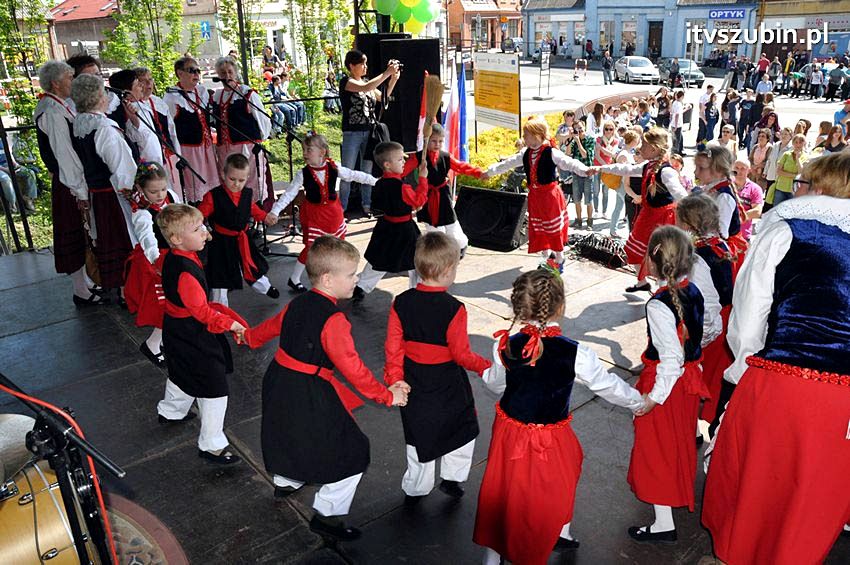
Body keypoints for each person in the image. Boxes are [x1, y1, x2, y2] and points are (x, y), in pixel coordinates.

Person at [702, 151, 850, 565]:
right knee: (813, 504)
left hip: (785, 382)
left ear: (821, 185)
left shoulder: (788, 229)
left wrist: (742, 373)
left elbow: (748, 318)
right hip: (844, 404)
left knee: (757, 491)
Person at [474, 268, 644, 565]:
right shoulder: (575, 353)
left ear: (518, 306)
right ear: (561, 306)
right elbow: (607, 385)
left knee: (503, 488)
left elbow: (495, 384)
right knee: (554, 488)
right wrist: (638, 402)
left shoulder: (506, 344)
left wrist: (495, 373)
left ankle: (494, 554)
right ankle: (548, 535)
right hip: (549, 438)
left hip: (510, 433)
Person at [243, 235, 408, 541]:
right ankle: (328, 515)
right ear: (329, 279)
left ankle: (287, 481)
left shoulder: (299, 302)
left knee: (288, 431)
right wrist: (387, 395)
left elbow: (272, 327)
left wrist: (249, 337)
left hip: (279, 380)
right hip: (307, 390)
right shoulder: (334, 320)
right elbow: (353, 368)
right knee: (352, 452)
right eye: (352, 274)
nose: (357, 279)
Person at [385, 232, 491, 503]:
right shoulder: (454, 309)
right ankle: (453, 478)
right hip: (447, 380)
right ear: (447, 271)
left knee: (418, 435)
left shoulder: (401, 302)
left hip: (414, 380)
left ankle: (415, 488)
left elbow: (393, 347)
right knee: (462, 427)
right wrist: (485, 366)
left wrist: (396, 378)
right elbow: (461, 354)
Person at [626, 225, 710, 544]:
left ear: (653, 259)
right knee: (674, 445)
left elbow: (670, 359)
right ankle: (667, 513)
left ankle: (663, 524)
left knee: (657, 450)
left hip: (667, 386)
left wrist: (653, 398)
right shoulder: (693, 290)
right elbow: (708, 328)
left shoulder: (659, 304)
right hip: (687, 382)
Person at [155, 203, 247, 464]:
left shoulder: (175, 257)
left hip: (176, 329)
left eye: (203, 226)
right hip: (192, 333)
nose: (205, 232)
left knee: (181, 370)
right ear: (177, 239)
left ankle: (171, 411)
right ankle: (211, 445)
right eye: (197, 229)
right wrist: (230, 324)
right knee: (214, 384)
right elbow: (202, 312)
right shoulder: (186, 273)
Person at [266, 133, 377, 292]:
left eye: (309, 150)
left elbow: (354, 175)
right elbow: (289, 194)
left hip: (333, 213)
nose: (305, 153)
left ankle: (336, 277)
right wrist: (275, 211)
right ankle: (294, 278)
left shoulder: (334, 167)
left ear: (322, 152)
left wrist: (376, 182)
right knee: (311, 248)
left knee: (338, 245)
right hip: (314, 215)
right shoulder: (303, 174)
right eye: (303, 150)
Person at [34, 60, 104, 306]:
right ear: (56, 83)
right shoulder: (52, 111)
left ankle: (87, 282)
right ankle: (80, 289)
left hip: (72, 179)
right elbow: (64, 154)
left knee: (82, 232)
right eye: (70, 77)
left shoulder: (59, 105)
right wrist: (80, 190)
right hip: (69, 181)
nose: (73, 81)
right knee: (74, 231)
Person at [596, 127, 688, 292]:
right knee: (632, 249)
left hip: (663, 218)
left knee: (660, 256)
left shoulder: (666, 171)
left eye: (643, 145)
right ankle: (642, 283)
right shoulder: (648, 165)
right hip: (647, 215)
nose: (640, 148)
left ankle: (663, 291)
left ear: (653, 149)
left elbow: (681, 195)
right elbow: (626, 169)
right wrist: (600, 168)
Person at [484, 116, 591, 257]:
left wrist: (585, 170)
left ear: (536, 135)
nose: (523, 138)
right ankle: (545, 257)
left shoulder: (551, 152)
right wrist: (489, 172)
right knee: (540, 229)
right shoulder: (525, 153)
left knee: (553, 229)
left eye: (526, 135)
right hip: (535, 197)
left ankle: (559, 259)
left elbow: (569, 162)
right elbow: (508, 163)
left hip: (550, 196)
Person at [70, 73, 137, 294]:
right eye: (104, 93)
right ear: (99, 97)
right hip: (114, 197)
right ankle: (132, 291)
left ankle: (125, 289)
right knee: (126, 239)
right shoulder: (105, 129)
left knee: (110, 240)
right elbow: (123, 169)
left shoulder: (81, 124)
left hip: (98, 195)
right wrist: (137, 197)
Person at [675, 195, 734, 438]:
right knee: (711, 384)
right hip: (726, 322)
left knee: (695, 382)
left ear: (687, 224)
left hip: (711, 330)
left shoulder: (697, 260)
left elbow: (705, 306)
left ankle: (695, 430)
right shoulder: (720, 245)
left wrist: (697, 343)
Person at [198, 153, 279, 306]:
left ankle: (265, 287)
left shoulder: (247, 194)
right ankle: (219, 308)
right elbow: (199, 216)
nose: (236, 184)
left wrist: (265, 217)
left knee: (252, 267)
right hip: (221, 242)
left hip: (243, 239)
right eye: (232, 179)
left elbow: (253, 209)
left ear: (247, 178)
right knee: (220, 276)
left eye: (241, 180)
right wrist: (201, 230)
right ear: (223, 175)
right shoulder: (213, 196)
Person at [353, 141, 429, 301]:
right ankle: (418, 291)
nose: (404, 162)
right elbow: (419, 201)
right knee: (416, 260)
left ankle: (361, 286)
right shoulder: (403, 188)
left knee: (379, 259)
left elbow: (399, 172)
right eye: (400, 159)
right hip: (405, 230)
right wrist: (423, 179)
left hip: (386, 228)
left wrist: (417, 159)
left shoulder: (380, 182)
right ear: (387, 164)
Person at [124, 162, 178, 367]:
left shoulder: (171, 196)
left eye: (163, 189)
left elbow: (184, 214)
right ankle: (153, 343)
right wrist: (159, 262)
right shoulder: (142, 212)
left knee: (177, 301)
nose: (160, 195)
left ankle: (163, 341)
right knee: (165, 306)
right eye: (153, 192)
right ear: (141, 188)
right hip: (154, 262)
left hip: (174, 255)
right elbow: (148, 239)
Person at [401, 123, 481, 254]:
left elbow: (461, 166)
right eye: (433, 141)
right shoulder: (419, 157)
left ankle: (460, 247)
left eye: (440, 141)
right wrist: (389, 178)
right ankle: (439, 253)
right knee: (434, 229)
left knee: (451, 225)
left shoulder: (445, 156)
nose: (437, 144)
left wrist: (478, 173)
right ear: (426, 140)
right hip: (427, 195)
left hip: (443, 195)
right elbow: (402, 171)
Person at [339, 50, 400, 214]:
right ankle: (341, 208)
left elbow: (383, 98)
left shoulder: (367, 82)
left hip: (369, 132)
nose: (365, 67)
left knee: (367, 171)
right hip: (352, 133)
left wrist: (393, 79)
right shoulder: (346, 82)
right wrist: (387, 73)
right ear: (352, 66)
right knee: (347, 172)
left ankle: (367, 205)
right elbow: (366, 87)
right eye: (362, 64)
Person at [211, 57, 273, 205]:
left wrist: (258, 139)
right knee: (230, 182)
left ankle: (254, 211)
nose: (227, 76)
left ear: (235, 73)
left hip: (247, 148)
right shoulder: (217, 97)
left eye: (230, 72)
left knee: (250, 181)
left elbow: (263, 120)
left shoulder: (246, 93)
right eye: (223, 73)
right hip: (225, 149)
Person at [164, 57, 219, 203]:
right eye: (191, 70)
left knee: (212, 187)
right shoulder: (172, 97)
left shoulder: (201, 92)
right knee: (196, 187)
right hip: (189, 150)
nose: (196, 74)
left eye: (198, 71)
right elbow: (169, 128)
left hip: (206, 148)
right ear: (180, 73)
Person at [693, 146, 748, 272]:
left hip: (722, 253)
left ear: (718, 170)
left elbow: (721, 232)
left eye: (701, 168)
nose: (696, 173)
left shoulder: (723, 197)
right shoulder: (711, 189)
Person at [133, 67, 183, 200]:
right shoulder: (134, 106)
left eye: (150, 79)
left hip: (169, 155)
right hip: (151, 158)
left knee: (174, 192)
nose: (148, 84)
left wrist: (177, 152)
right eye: (143, 81)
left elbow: (171, 130)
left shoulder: (158, 102)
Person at [564, 120, 597, 229]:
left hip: (588, 173)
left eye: (580, 128)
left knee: (588, 199)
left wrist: (578, 141)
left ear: (584, 127)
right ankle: (578, 220)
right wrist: (570, 139)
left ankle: (589, 222)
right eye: (576, 129)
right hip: (576, 173)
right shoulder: (574, 140)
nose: (579, 130)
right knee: (577, 199)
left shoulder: (590, 140)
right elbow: (567, 154)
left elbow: (584, 155)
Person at [610, 130, 640, 237]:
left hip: (623, 184)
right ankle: (631, 232)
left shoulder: (627, 152)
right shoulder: (624, 154)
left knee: (619, 206)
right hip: (622, 184)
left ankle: (613, 230)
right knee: (629, 208)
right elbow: (621, 171)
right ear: (633, 141)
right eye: (637, 140)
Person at [766, 132, 807, 208]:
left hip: (794, 190)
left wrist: (798, 159)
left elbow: (801, 173)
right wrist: (794, 176)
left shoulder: (806, 157)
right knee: (776, 209)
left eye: (800, 142)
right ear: (793, 143)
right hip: (781, 188)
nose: (798, 145)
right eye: (796, 142)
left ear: (804, 143)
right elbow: (778, 171)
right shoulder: (786, 154)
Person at [730, 156, 764, 242]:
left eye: (743, 168)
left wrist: (737, 219)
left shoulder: (755, 189)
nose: (739, 171)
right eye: (736, 168)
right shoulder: (727, 186)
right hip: (726, 235)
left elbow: (757, 212)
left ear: (749, 171)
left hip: (743, 236)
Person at [669, 90, 689, 156]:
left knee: (680, 138)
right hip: (677, 124)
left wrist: (686, 109)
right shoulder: (678, 104)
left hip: (674, 123)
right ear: (682, 96)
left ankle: (680, 150)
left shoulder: (675, 102)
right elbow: (677, 115)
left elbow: (674, 112)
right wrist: (676, 125)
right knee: (677, 139)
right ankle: (675, 153)